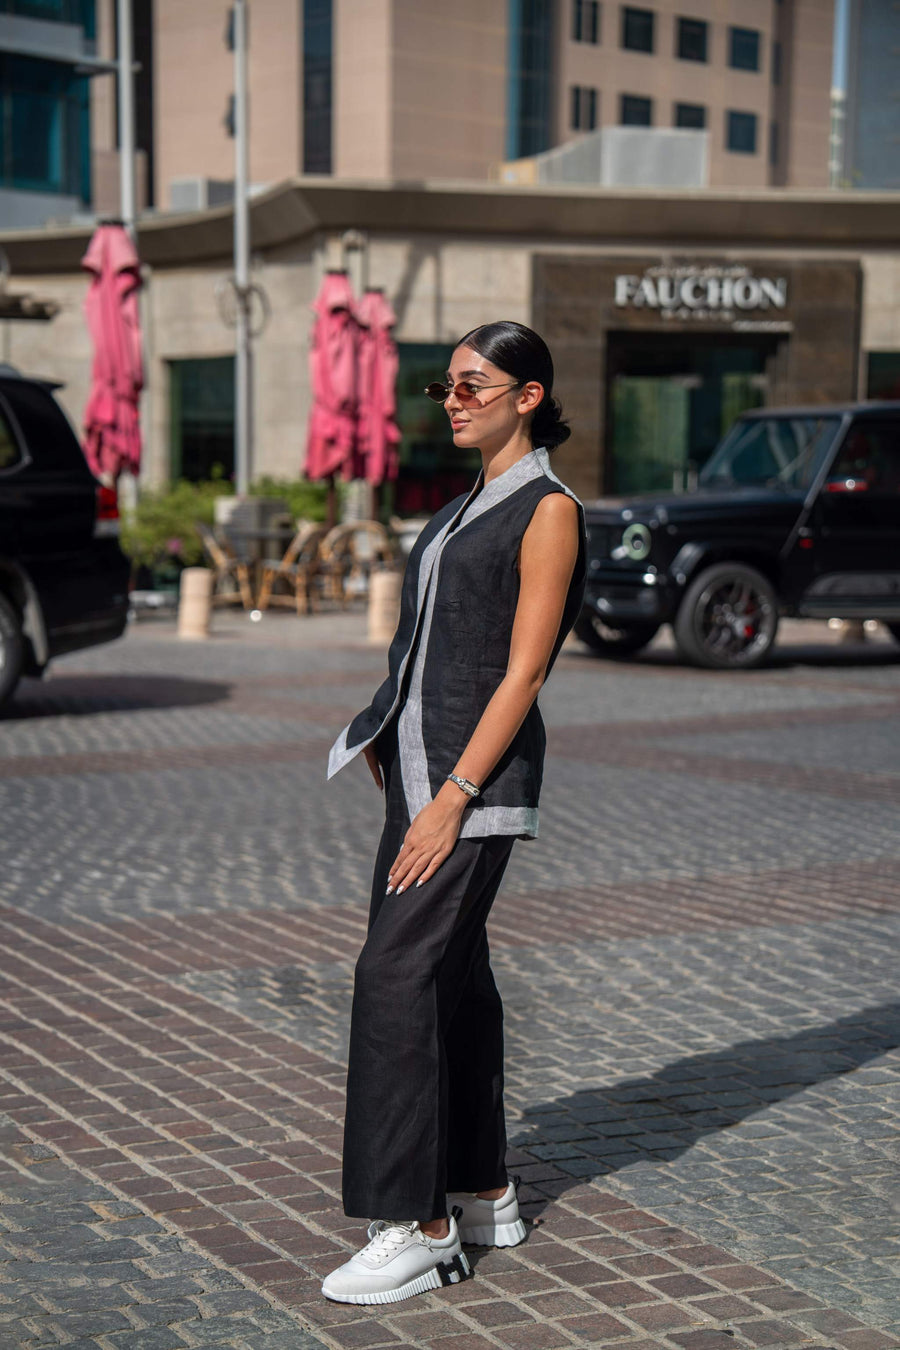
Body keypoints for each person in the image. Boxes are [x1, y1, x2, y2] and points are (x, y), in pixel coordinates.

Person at [322, 320, 586, 1305]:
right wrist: (383, 735)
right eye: (446, 386)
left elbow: (523, 672)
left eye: (475, 384)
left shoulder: (547, 510)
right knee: (453, 979)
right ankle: (481, 1190)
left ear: (529, 395)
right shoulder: (463, 505)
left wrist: (453, 800)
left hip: (468, 792)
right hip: (420, 777)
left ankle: (417, 1226)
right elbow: (431, 645)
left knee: (392, 977)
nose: (454, 401)